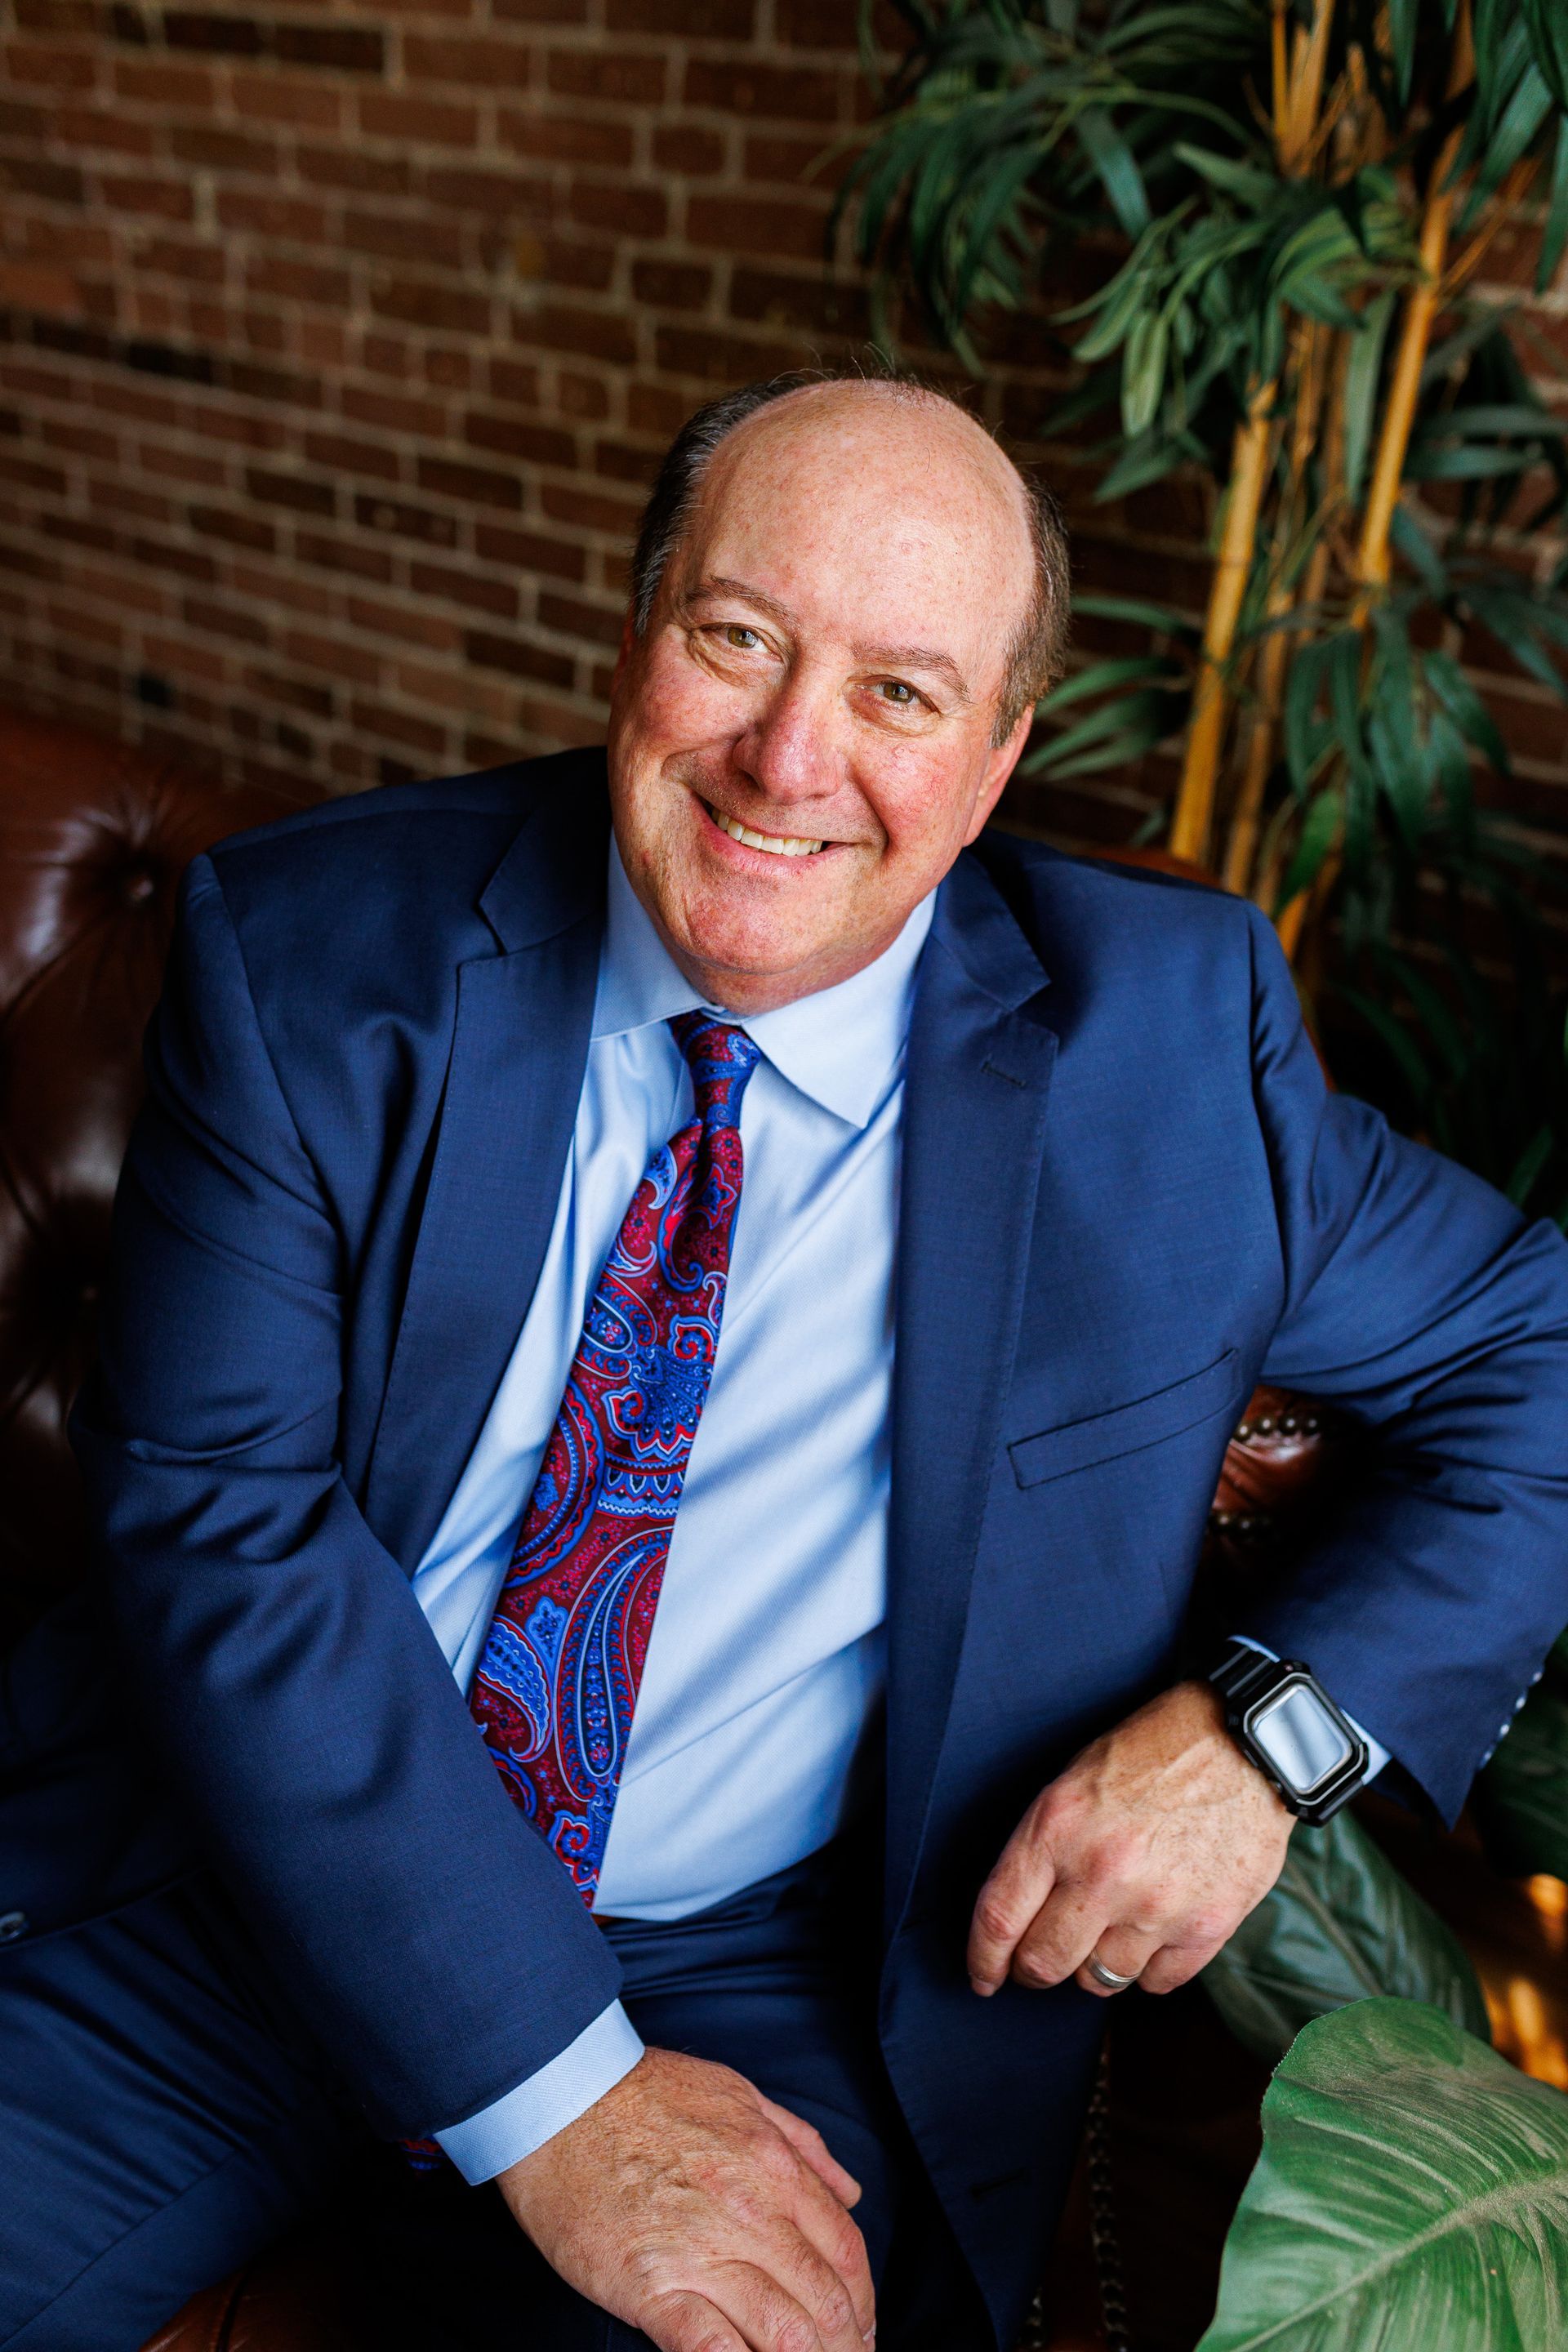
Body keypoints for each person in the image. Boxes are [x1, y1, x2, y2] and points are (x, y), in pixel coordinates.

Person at [5, 370, 1568, 2352]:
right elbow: (222, 1529)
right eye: (738, 638)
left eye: (904, 695)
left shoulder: (1168, 1066)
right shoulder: (316, 954)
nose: (788, 757)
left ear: (996, 763)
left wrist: (1269, 1740)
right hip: (247, 1882)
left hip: (755, 1966)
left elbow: (1547, 1350)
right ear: (639, 634)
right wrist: (561, 2103)